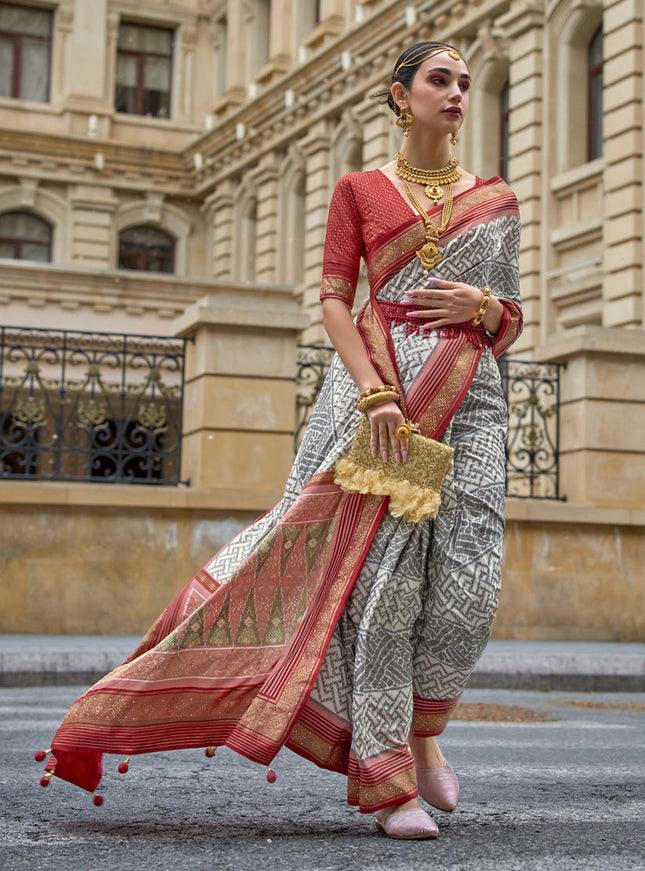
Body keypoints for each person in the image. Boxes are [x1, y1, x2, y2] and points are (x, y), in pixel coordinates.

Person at [36, 42, 522, 841]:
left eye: (464, 82)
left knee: (470, 587)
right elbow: (334, 300)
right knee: (385, 587)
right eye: (440, 79)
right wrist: (373, 392)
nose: (457, 93)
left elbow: (510, 317)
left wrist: (482, 306)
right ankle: (388, 773)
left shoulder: (496, 200)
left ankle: (426, 723)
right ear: (400, 95)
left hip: (471, 399)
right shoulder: (359, 189)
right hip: (382, 401)